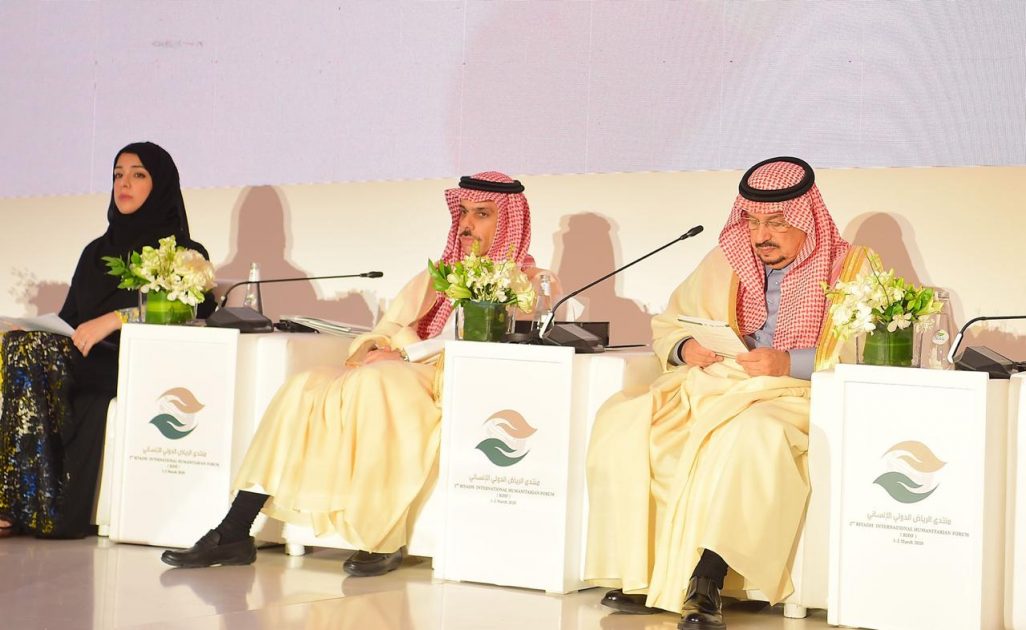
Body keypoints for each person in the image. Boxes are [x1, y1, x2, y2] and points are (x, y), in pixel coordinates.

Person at [162, 171, 541, 576]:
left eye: (481, 214)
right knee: (305, 385)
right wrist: (378, 346)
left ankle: (381, 539)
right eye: (462, 212)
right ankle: (235, 530)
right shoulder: (440, 274)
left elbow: (497, 344)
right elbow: (389, 325)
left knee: (378, 384)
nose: (466, 225)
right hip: (402, 367)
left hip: (450, 380)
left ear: (508, 221)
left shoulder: (526, 282)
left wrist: (405, 354)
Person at [585, 157, 871, 629]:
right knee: (626, 419)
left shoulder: (851, 267)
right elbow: (670, 322)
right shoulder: (727, 260)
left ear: (806, 218)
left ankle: (707, 581)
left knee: (750, 435)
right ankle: (647, 576)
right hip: (719, 383)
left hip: (797, 394)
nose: (761, 236)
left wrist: (790, 362)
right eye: (753, 222)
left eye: (776, 223)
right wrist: (686, 347)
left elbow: (863, 348)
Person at [0, 142, 214, 539]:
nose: (124, 183)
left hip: (132, 361)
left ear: (161, 184)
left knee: (31, 354)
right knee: (19, 347)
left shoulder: (184, 254)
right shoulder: (96, 253)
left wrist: (117, 319)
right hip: (81, 357)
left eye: (138, 174)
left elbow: (193, 311)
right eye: (118, 175)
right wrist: (31, 329)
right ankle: (24, 501)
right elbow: (70, 320)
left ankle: (24, 505)